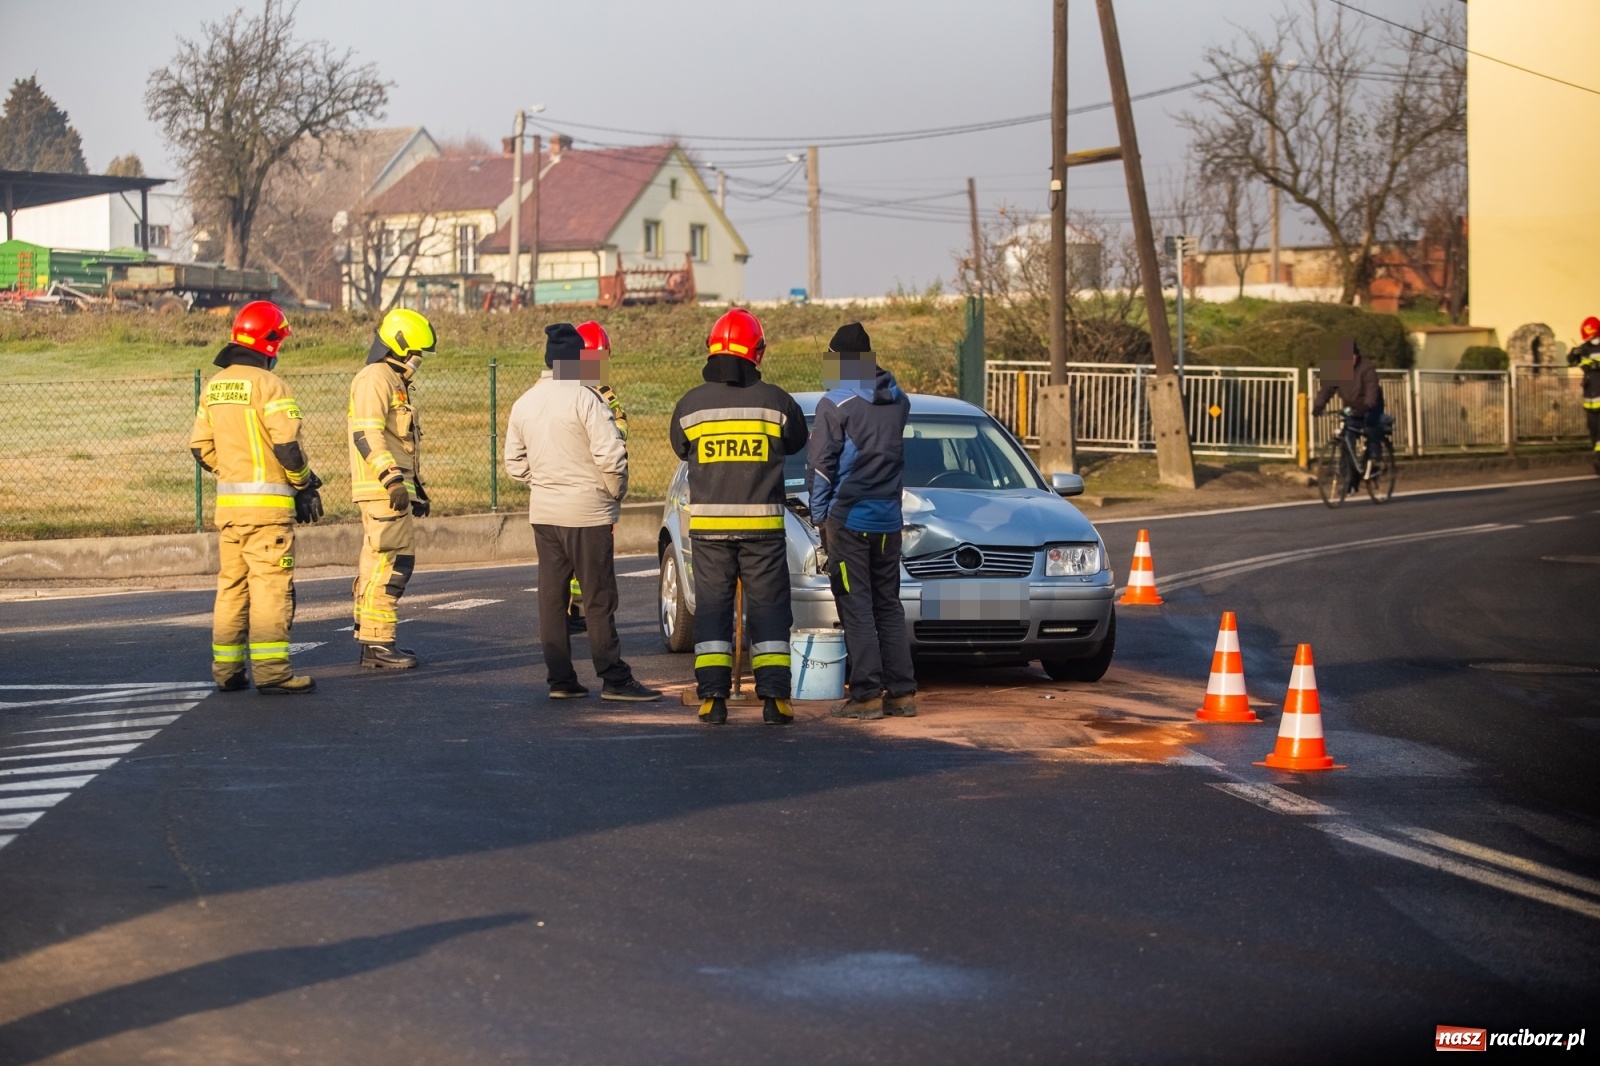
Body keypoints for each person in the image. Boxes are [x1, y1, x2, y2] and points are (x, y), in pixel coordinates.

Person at [505, 323, 661, 702]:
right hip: (588, 512)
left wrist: (545, 482)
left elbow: (514, 464)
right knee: (598, 597)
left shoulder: (525, 401)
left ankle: (561, 680)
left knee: (552, 599)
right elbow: (611, 456)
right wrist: (613, 492)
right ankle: (614, 678)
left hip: (544, 513)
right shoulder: (586, 398)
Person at [669, 308, 808, 726]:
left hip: (709, 532)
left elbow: (681, 448)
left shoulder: (690, 406)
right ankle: (775, 700)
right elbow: (797, 441)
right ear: (757, 353)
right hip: (763, 531)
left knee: (712, 610)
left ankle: (712, 699)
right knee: (769, 610)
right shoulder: (777, 403)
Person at [189, 300, 323, 695]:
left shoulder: (215, 386)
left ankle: (227, 671)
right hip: (268, 516)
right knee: (270, 590)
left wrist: (234, 472)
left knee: (232, 588)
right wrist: (303, 484)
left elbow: (200, 448)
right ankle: (273, 673)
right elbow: (288, 448)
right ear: (270, 343)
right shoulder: (270, 385)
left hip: (230, 513)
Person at [806, 323, 916, 721]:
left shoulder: (835, 404)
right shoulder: (899, 400)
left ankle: (867, 695)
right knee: (888, 605)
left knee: (856, 607)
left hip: (849, 520)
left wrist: (820, 516)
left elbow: (821, 468)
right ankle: (902, 694)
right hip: (889, 519)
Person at [348, 308, 436, 669]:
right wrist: (392, 480)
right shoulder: (376, 378)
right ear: (400, 347)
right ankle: (379, 644)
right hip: (383, 490)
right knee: (393, 564)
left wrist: (415, 490)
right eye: (417, 353)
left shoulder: (391, 380)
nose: (418, 360)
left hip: (389, 490)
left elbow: (398, 442)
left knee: (378, 565)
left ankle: (373, 641)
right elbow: (366, 433)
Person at [565, 321, 628, 635]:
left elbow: (620, 426)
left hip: (571, 482)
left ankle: (575, 611)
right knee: (589, 556)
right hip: (590, 484)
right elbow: (619, 430)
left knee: (571, 557)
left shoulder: (571, 386)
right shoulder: (593, 390)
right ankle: (583, 613)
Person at [1312, 338, 1386, 479]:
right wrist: (1318, 405)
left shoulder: (1366, 367)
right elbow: (1326, 389)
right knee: (1347, 436)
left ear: (1357, 355)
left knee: (1371, 427)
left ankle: (1375, 460)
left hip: (1371, 404)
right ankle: (1348, 477)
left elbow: (1372, 391)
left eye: (1353, 356)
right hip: (1352, 406)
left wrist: (1366, 406)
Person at [1568, 315, 1600, 475]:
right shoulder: (1585, 348)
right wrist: (1574, 353)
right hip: (1590, 399)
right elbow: (1571, 361)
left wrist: (1597, 365)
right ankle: (1597, 456)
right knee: (1593, 430)